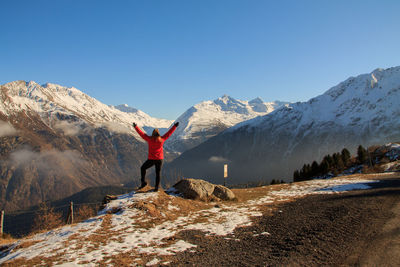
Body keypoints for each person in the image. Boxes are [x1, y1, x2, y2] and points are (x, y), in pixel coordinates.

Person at [133, 122, 179, 191]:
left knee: (143, 168)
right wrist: (175, 126)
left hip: (151, 159)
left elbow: (142, 134)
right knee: (158, 173)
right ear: (158, 134)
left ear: (152, 134)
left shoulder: (149, 139)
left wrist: (136, 127)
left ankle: (143, 183)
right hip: (159, 159)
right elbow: (169, 133)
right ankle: (156, 188)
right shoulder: (162, 139)